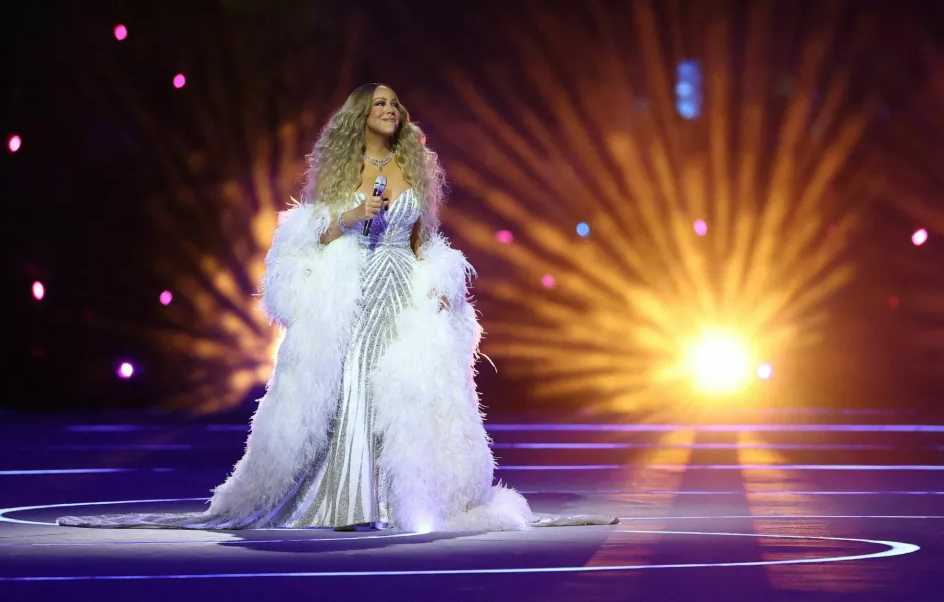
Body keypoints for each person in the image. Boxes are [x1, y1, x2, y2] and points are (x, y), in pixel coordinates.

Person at [57, 84, 616, 532]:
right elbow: (309, 235)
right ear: (360, 117)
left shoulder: (412, 170)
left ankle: (396, 499)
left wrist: (441, 281)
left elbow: (423, 241)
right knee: (351, 383)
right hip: (354, 293)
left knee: (400, 393)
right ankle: (344, 499)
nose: (390, 110)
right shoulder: (340, 173)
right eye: (379, 104)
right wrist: (351, 216)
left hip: (402, 294)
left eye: (394, 104)